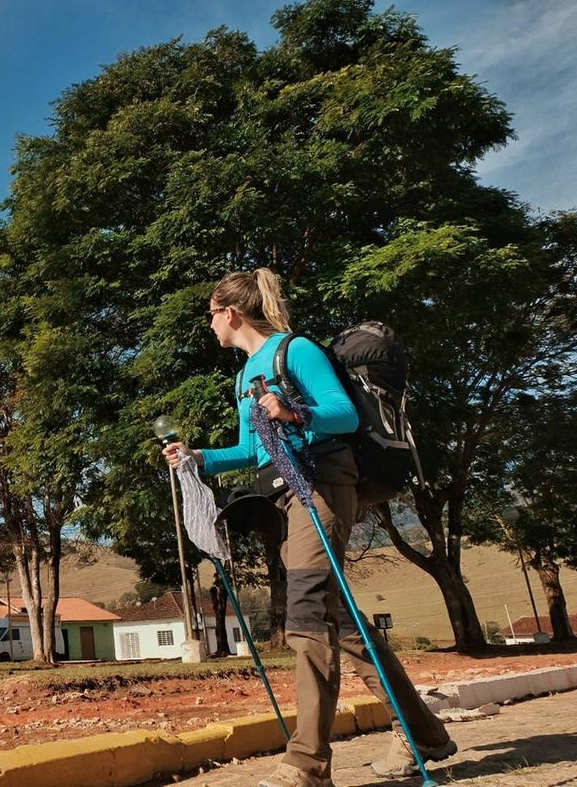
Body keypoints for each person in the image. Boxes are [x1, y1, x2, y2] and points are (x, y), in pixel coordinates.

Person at [163, 268, 455, 787]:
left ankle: (306, 765)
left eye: (211, 315)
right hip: (285, 495)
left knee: (304, 615)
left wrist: (295, 413)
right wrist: (197, 457)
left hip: (322, 485)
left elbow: (342, 414)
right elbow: (251, 450)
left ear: (229, 313)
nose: (210, 325)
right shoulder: (242, 375)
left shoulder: (294, 350)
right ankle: (425, 735)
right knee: (341, 624)